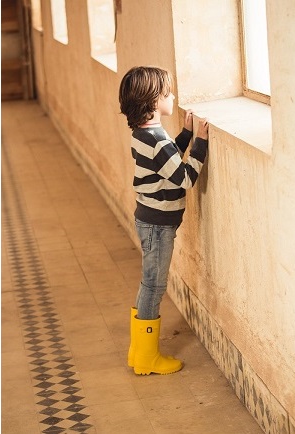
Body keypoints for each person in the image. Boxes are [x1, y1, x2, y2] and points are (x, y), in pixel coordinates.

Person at [118, 66, 209, 375]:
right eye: (168, 93)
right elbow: (183, 178)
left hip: (150, 220)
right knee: (154, 286)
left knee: (149, 284)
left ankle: (137, 352)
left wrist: (184, 134)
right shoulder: (155, 137)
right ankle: (147, 357)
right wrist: (201, 143)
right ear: (154, 101)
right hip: (158, 225)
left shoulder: (144, 133)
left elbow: (165, 161)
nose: (172, 96)